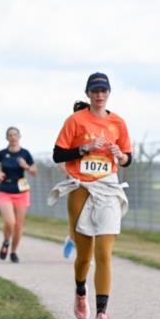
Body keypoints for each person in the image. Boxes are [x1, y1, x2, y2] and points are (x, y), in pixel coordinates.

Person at [50, 73, 131, 319]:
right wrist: (83, 148)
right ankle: (80, 290)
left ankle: (101, 314)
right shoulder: (75, 120)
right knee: (84, 255)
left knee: (104, 254)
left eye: (103, 91)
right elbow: (58, 154)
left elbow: (128, 157)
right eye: (95, 91)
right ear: (87, 94)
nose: (99, 95)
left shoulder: (118, 122)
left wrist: (121, 156)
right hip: (81, 187)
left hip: (108, 187)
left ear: (108, 93)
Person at [0, 127, 36, 263]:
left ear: (19, 136)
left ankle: (13, 251)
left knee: (18, 225)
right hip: (5, 191)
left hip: (21, 192)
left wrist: (26, 167)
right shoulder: (2, 153)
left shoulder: (25, 153)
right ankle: (6, 241)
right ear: (7, 138)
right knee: (10, 222)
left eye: (15, 135)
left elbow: (34, 171)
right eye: (10, 135)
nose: (13, 137)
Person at [62, 101, 90, 260]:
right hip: (75, 183)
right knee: (77, 219)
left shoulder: (94, 133)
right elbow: (59, 159)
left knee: (91, 219)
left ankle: (86, 253)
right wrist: (71, 172)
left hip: (94, 183)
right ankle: (72, 241)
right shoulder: (69, 133)